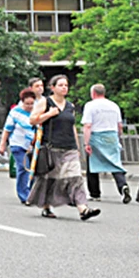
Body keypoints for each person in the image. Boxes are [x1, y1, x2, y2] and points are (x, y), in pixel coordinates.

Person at [26, 75, 101, 221]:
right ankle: (46, 206)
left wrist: (77, 147)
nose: (64, 88)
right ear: (52, 88)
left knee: (75, 177)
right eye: (60, 85)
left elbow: (72, 126)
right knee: (49, 179)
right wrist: (49, 114)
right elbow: (32, 120)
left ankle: (83, 209)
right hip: (51, 147)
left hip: (69, 147)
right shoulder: (45, 102)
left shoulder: (70, 106)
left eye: (66, 85)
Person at [82, 84, 131, 204]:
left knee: (92, 166)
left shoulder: (90, 105)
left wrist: (86, 143)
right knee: (115, 163)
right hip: (112, 135)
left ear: (93, 93)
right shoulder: (113, 105)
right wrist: (118, 138)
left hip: (97, 136)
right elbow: (120, 125)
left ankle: (95, 193)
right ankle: (122, 185)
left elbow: (87, 125)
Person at [0, 88, 37, 205]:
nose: (29, 106)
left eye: (32, 103)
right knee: (24, 168)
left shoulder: (37, 112)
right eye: (27, 104)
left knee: (33, 169)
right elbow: (7, 129)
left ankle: (32, 192)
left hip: (33, 145)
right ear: (22, 102)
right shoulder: (16, 112)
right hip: (18, 144)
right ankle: (24, 195)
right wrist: (2, 144)